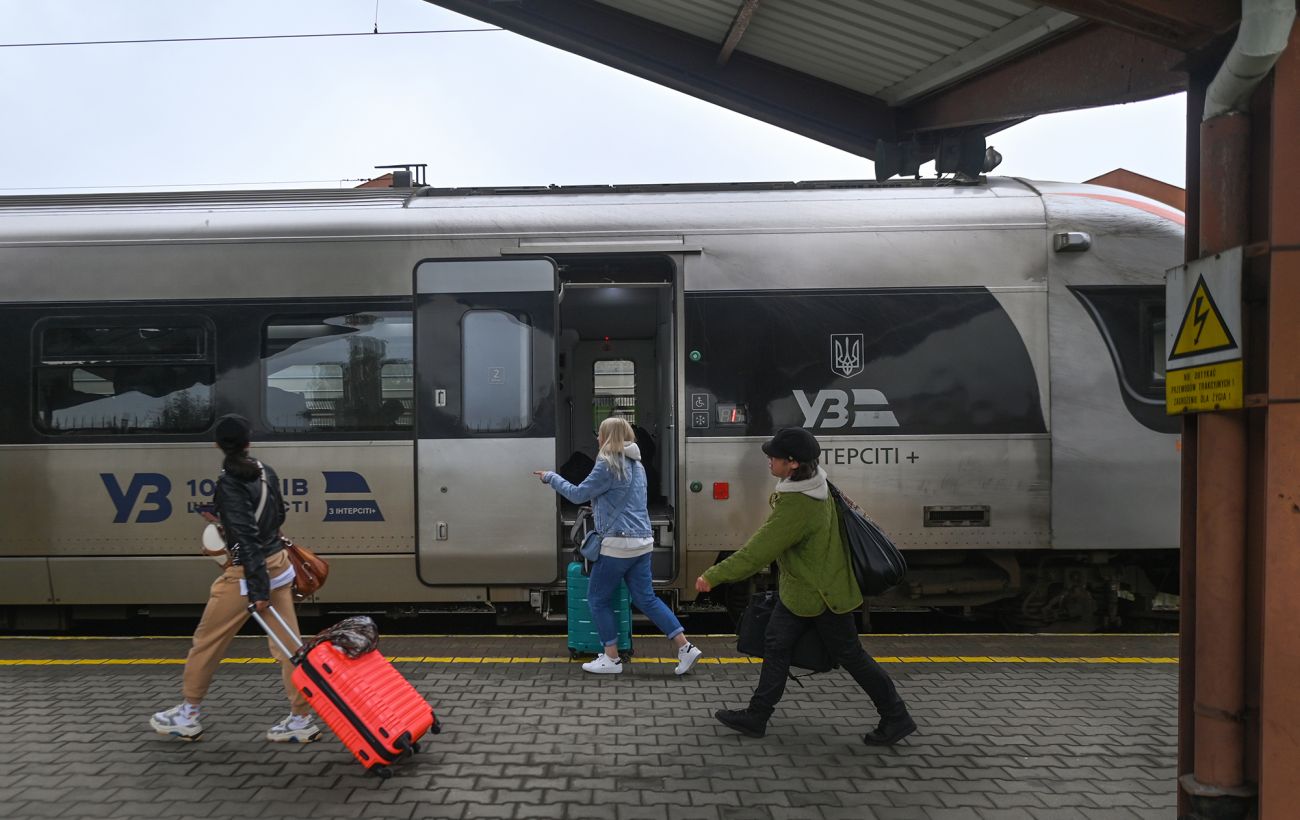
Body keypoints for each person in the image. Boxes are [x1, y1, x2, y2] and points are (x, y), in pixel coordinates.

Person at [695, 427, 916, 744]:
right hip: (802, 592)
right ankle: (757, 715)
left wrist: (713, 576)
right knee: (776, 645)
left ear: (793, 463)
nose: (769, 459)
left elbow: (757, 552)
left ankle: (896, 715)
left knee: (851, 655)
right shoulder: (819, 485)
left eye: (775, 456)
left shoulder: (798, 505)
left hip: (819, 595)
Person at [149, 414, 321, 743]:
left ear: (217, 445)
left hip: (248, 575)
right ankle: (301, 719)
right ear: (248, 442)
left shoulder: (229, 482)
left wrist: (254, 587)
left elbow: (245, 541)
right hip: (278, 564)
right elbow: (278, 515)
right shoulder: (265, 471)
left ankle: (188, 715)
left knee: (207, 642)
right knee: (289, 646)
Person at [535, 416, 704, 676]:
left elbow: (577, 494)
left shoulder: (607, 463)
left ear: (607, 437)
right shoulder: (638, 465)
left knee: (597, 599)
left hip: (617, 545)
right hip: (642, 542)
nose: (597, 438)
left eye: (600, 434)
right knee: (647, 599)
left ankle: (611, 658)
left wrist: (551, 477)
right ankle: (685, 647)